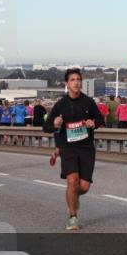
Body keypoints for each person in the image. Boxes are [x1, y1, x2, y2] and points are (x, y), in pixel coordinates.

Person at [43, 68, 106, 231]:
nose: (76, 82)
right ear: (67, 84)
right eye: (73, 80)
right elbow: (47, 127)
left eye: (78, 79)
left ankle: (73, 196)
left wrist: (94, 123)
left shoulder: (88, 102)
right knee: (72, 180)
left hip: (86, 148)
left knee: (83, 187)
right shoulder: (60, 105)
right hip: (68, 148)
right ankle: (73, 217)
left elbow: (99, 119)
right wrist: (55, 124)